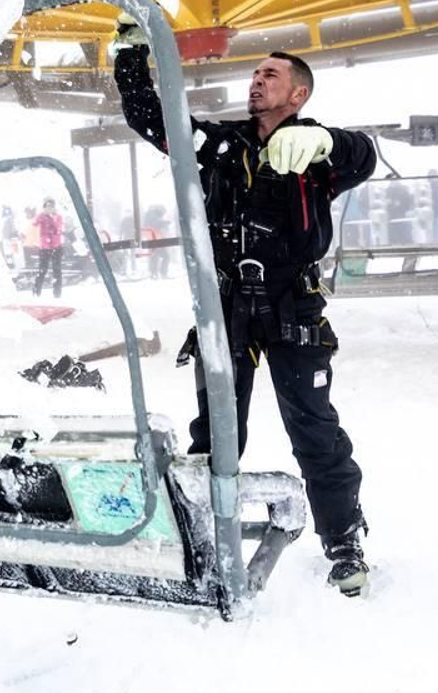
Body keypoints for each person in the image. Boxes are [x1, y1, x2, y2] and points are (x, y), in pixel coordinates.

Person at [114, 34, 377, 597]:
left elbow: (365, 154)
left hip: (293, 308)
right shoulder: (220, 145)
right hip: (225, 308)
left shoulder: (315, 151)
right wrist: (131, 54)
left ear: (298, 92)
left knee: (314, 430)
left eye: (271, 75)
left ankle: (344, 541)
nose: (257, 81)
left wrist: (325, 141)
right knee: (213, 435)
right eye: (255, 74)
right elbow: (148, 115)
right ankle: (204, 536)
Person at [32, 197, 66, 298]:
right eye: (48, 206)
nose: (50, 208)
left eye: (51, 206)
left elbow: (58, 227)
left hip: (56, 246)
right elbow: (34, 223)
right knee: (42, 270)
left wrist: (53, 216)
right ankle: (36, 292)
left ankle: (57, 294)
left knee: (57, 270)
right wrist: (42, 214)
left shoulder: (58, 216)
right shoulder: (42, 216)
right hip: (44, 247)